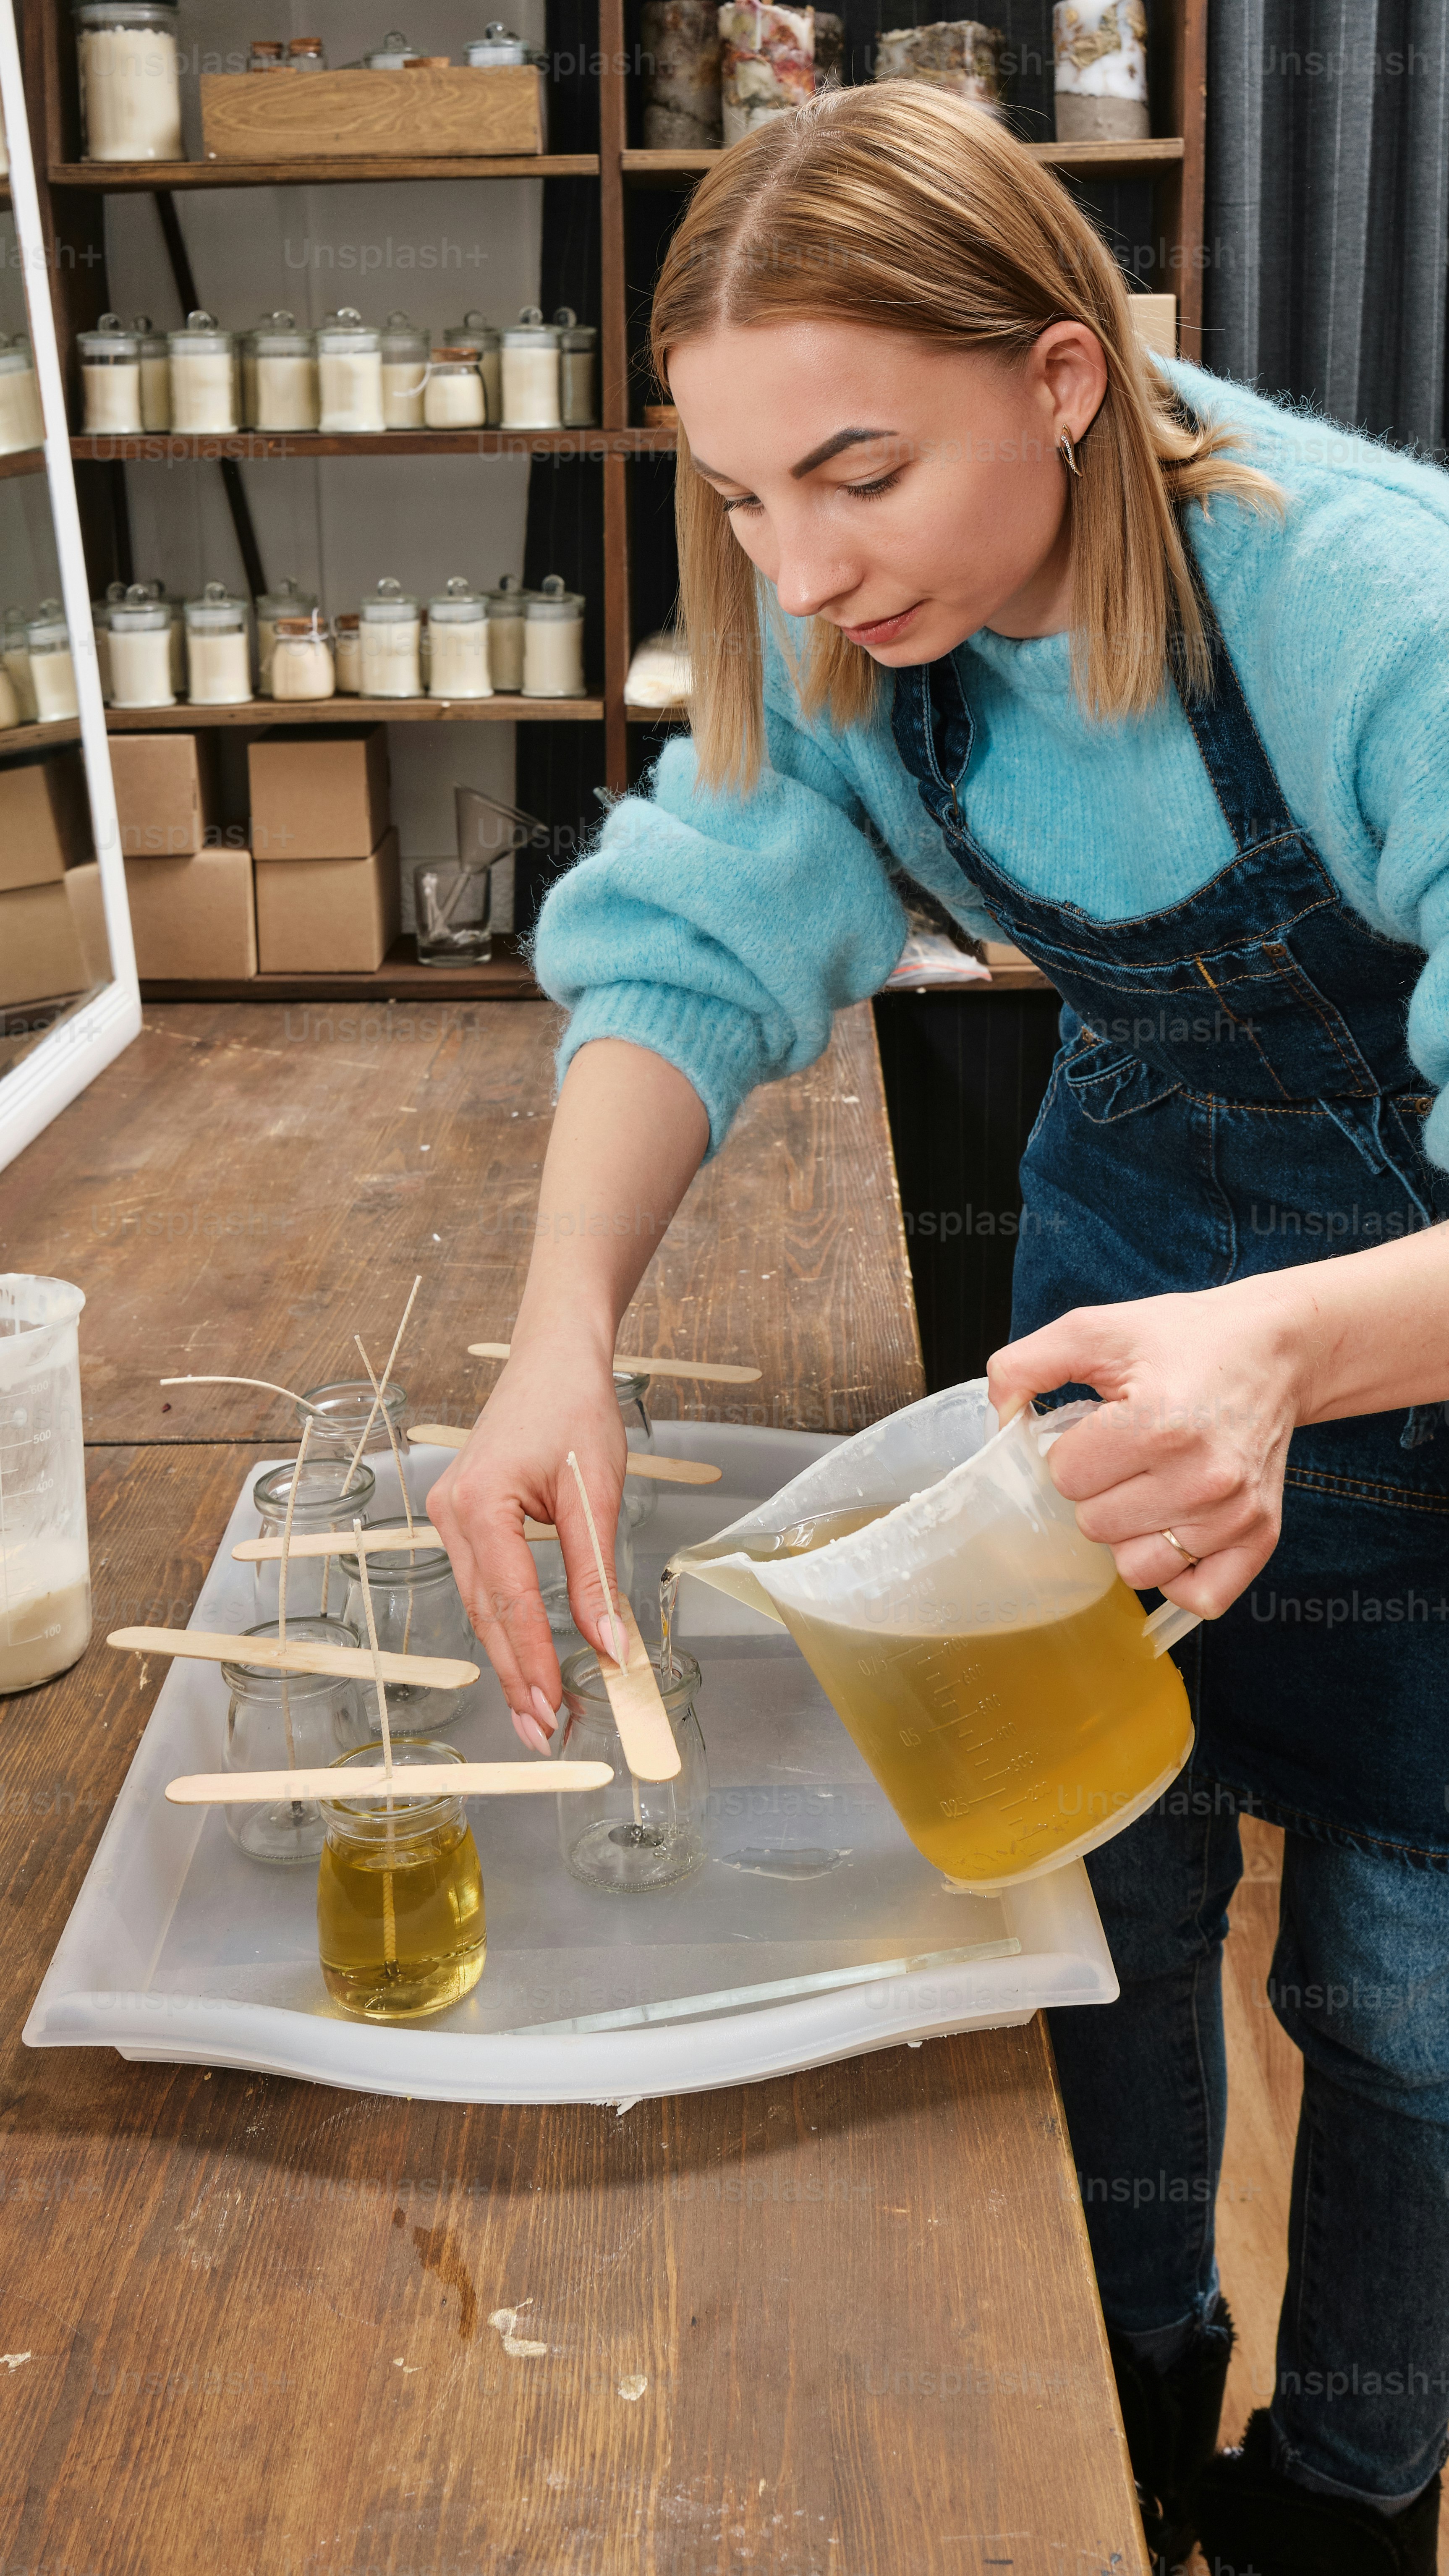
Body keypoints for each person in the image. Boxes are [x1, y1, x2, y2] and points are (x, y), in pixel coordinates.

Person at [426, 84, 1449, 2576]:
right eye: (747, 500)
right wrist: (556, 1331)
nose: (800, 562)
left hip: (1413, 1368)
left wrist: (1286, 1358)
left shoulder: (1372, 608)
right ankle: (1123, 2438)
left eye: (856, 473)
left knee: (1409, 2012)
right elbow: (698, 930)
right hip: (1115, 1346)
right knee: (1088, 1913)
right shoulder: (863, 635)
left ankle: (1347, 2493)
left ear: (1065, 379)